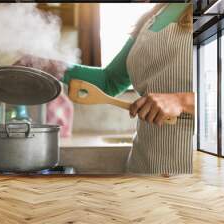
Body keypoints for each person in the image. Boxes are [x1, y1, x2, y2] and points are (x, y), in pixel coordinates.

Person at [16, 3, 195, 175]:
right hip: (144, 162)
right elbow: (110, 80)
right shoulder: (152, 16)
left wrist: (181, 101)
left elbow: (223, 93)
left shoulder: (213, 7)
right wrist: (49, 66)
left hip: (186, 164)